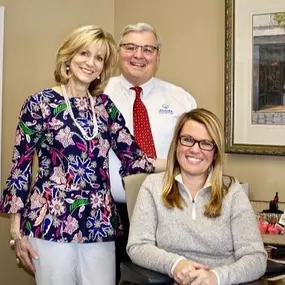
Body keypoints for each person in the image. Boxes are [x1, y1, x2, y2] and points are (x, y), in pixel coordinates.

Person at [0, 25, 165, 285]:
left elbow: (134, 159)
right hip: (50, 220)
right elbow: (20, 168)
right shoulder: (39, 104)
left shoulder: (105, 107)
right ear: (68, 57)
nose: (90, 63)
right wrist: (17, 232)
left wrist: (184, 163)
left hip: (98, 222)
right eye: (84, 54)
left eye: (99, 58)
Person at [127, 108, 267, 285]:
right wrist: (176, 265)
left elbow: (256, 258)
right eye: (188, 140)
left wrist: (216, 277)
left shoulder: (232, 191)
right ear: (177, 144)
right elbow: (137, 246)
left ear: (215, 152)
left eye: (206, 143)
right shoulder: (153, 186)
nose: (195, 149)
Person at [104, 22, 197, 282]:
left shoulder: (182, 99)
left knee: (163, 279)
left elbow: (195, 154)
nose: (139, 55)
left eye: (148, 49)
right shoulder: (98, 94)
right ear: (118, 51)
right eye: (131, 47)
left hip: (167, 210)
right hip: (110, 213)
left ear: (158, 56)